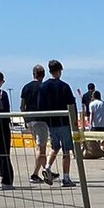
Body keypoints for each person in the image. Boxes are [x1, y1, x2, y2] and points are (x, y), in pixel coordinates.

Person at [37, 58, 78, 187]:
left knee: (55, 147)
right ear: (59, 71)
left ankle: (47, 168)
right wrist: (74, 120)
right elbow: (71, 104)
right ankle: (66, 178)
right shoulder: (64, 86)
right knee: (66, 150)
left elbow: (40, 105)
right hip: (64, 121)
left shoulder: (43, 86)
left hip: (51, 122)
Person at [20, 63, 49, 185]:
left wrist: (26, 120)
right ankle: (35, 174)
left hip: (30, 120)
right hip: (41, 120)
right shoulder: (44, 87)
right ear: (43, 75)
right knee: (41, 148)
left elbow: (22, 106)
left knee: (38, 147)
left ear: (33, 74)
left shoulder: (26, 87)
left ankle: (47, 171)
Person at [84, 90, 104, 160]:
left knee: (95, 140)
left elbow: (92, 114)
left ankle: (98, 151)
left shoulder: (92, 104)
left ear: (93, 96)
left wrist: (90, 123)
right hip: (103, 124)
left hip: (95, 124)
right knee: (102, 139)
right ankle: (101, 151)